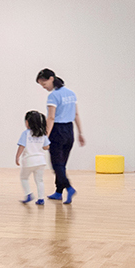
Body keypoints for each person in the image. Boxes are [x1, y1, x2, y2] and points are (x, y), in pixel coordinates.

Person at [36, 68, 84, 204]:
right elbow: (76, 114)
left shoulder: (53, 96)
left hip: (57, 131)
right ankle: (58, 192)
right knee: (61, 165)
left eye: (44, 84)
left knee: (57, 165)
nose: (44, 87)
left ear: (51, 79)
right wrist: (80, 133)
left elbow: (51, 118)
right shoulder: (71, 93)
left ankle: (69, 187)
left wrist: (45, 136)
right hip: (69, 131)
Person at [16, 110, 51, 206]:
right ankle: (41, 199)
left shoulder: (26, 133)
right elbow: (46, 147)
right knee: (39, 180)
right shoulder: (42, 134)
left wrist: (17, 157)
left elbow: (21, 146)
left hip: (29, 161)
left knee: (24, 178)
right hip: (41, 161)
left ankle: (28, 194)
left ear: (27, 122)